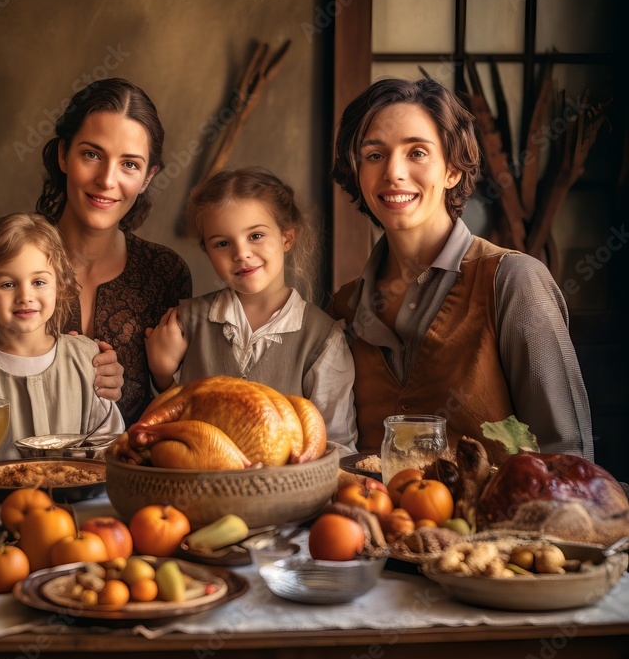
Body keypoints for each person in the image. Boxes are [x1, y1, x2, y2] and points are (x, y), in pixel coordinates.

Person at [328, 77, 593, 464]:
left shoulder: (513, 282)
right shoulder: (344, 307)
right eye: (374, 155)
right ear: (357, 174)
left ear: (452, 170)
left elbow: (569, 461)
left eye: (417, 152)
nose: (394, 173)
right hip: (374, 522)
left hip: (501, 523)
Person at [0, 78, 190, 426]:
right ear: (64, 154)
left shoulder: (165, 272)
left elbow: (183, 413)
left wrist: (161, 379)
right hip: (12, 474)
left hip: (133, 476)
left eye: (130, 164)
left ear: (148, 177)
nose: (107, 180)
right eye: (92, 154)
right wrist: (49, 365)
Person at [145, 166, 357, 451]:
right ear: (207, 251)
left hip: (284, 492)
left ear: (286, 238)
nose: (241, 253)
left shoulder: (322, 338)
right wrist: (161, 373)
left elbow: (336, 443)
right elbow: (164, 428)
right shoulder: (185, 323)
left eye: (255, 236)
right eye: (222, 243)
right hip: (194, 489)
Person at [0, 213, 124, 462]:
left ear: (60, 285)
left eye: (39, 281)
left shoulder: (85, 359)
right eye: (8, 284)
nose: (25, 296)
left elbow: (111, 440)